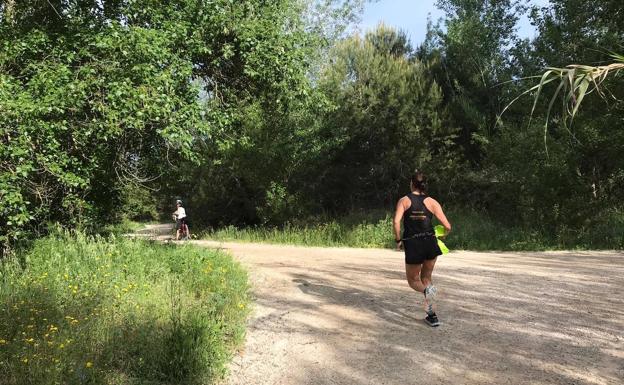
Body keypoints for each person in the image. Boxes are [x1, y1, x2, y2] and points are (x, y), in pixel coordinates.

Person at [393, 171, 451, 327]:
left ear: (411, 183)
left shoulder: (404, 200)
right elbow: (447, 226)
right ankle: (432, 316)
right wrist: (443, 235)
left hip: (413, 243)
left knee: (413, 281)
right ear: (425, 185)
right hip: (430, 243)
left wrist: (398, 240)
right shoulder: (432, 202)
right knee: (427, 280)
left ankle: (428, 294)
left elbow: (396, 222)